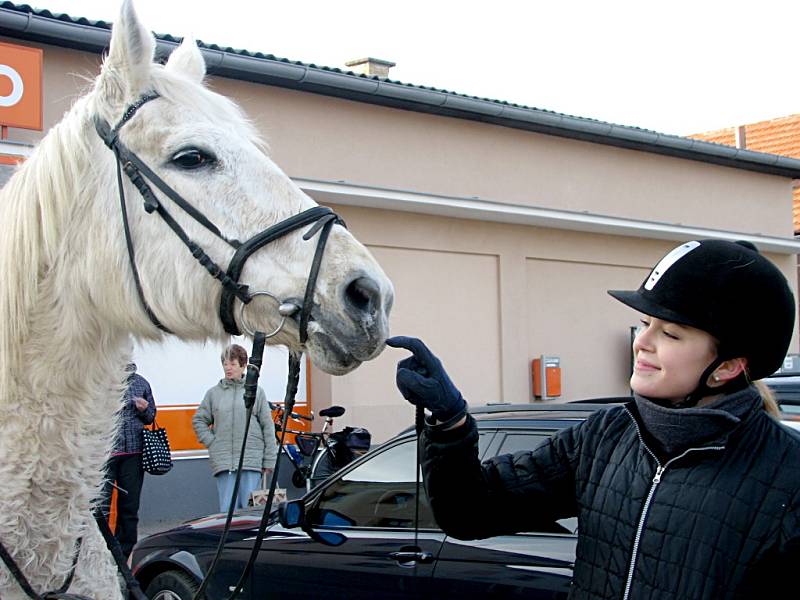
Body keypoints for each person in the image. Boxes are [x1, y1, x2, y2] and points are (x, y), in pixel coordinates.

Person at [387, 239, 800, 599]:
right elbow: (469, 512)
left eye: (670, 334)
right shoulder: (604, 436)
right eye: (645, 324)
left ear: (728, 367)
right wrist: (450, 422)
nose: (643, 342)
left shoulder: (788, 476)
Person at [193, 344, 279, 513]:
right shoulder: (213, 394)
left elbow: (268, 427)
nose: (228, 368)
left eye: (232, 363)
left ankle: (249, 540)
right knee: (227, 511)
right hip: (224, 462)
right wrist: (213, 442)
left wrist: (269, 460)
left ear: (243, 365)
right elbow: (199, 420)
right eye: (225, 363)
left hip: (251, 461)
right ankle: (231, 540)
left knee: (251, 512)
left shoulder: (256, 392)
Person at [101, 362, 156, 560]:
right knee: (101, 509)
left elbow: (151, 418)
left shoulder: (141, 383)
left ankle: (124, 554)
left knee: (129, 507)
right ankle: (101, 551)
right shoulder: (102, 381)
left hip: (133, 454)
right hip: (104, 454)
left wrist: (144, 409)